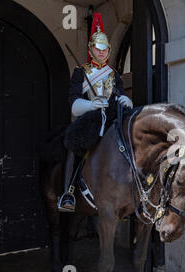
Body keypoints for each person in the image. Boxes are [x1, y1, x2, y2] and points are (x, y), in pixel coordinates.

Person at [58, 13, 133, 213]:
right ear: (91, 49)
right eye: (98, 49)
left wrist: (125, 100)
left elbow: (118, 95)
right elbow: (74, 104)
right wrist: (92, 105)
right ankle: (69, 192)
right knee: (74, 145)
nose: (101, 52)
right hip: (89, 120)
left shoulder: (114, 74)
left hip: (111, 119)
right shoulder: (80, 72)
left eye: (105, 49)